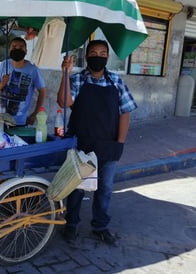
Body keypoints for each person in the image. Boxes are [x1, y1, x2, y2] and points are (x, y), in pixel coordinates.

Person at [57, 40, 137, 246]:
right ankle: (71, 224)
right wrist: (65, 73)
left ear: (107, 57)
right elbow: (64, 102)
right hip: (80, 145)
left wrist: (120, 142)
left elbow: (125, 112)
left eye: (102, 53)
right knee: (76, 188)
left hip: (108, 145)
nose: (98, 56)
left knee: (105, 189)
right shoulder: (77, 80)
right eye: (93, 52)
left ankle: (100, 226)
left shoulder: (116, 82)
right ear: (86, 56)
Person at [0, 37, 46, 126]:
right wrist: (2, 83)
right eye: (14, 46)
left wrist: (35, 114)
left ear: (26, 51)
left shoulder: (33, 70)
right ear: (9, 49)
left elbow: (42, 92)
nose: (17, 49)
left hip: (20, 122)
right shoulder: (4, 65)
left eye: (21, 47)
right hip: (0, 120)